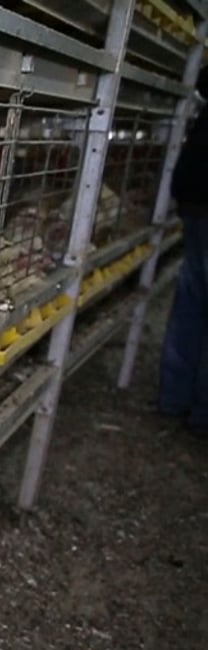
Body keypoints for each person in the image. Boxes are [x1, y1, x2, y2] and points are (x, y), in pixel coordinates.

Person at [160, 65, 208, 437]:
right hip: (197, 202)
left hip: (196, 199)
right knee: (192, 303)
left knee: (190, 303)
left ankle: (175, 398)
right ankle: (197, 407)